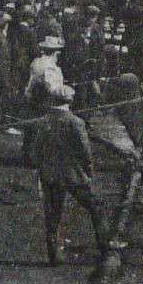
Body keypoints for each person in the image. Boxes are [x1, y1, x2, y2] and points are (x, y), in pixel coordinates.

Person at [32, 82, 112, 265]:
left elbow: (36, 150)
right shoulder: (76, 123)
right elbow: (85, 152)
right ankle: (105, 248)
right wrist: (89, 171)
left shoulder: (41, 122)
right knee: (96, 208)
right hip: (73, 175)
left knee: (53, 216)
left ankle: (54, 256)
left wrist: (42, 169)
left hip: (51, 174)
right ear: (70, 101)